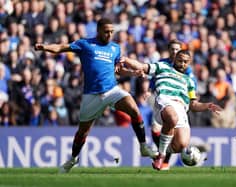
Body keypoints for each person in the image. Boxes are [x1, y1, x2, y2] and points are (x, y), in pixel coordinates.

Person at [34, 18, 156, 173]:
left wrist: (134, 73)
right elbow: (61, 47)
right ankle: (73, 159)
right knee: (83, 132)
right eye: (106, 31)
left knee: (134, 109)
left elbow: (119, 70)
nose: (110, 34)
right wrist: (45, 47)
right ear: (98, 30)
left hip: (112, 91)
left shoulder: (115, 48)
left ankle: (143, 146)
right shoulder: (85, 44)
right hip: (92, 95)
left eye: (112, 31)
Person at [122, 50, 222, 170]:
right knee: (172, 118)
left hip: (181, 108)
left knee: (181, 145)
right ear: (175, 59)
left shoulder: (189, 81)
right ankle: (161, 156)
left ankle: (156, 151)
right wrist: (125, 60)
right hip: (165, 101)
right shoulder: (162, 67)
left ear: (189, 63)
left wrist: (207, 105)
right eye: (180, 60)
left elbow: (193, 105)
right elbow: (142, 66)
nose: (182, 63)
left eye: (185, 62)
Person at [150, 39, 197, 170]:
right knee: (155, 129)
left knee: (173, 130)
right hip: (161, 97)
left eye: (177, 49)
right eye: (172, 49)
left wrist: (192, 98)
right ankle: (162, 153)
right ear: (169, 51)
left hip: (178, 100)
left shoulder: (185, 66)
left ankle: (164, 158)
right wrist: (149, 90)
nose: (175, 51)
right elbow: (153, 77)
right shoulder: (162, 63)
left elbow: (191, 83)